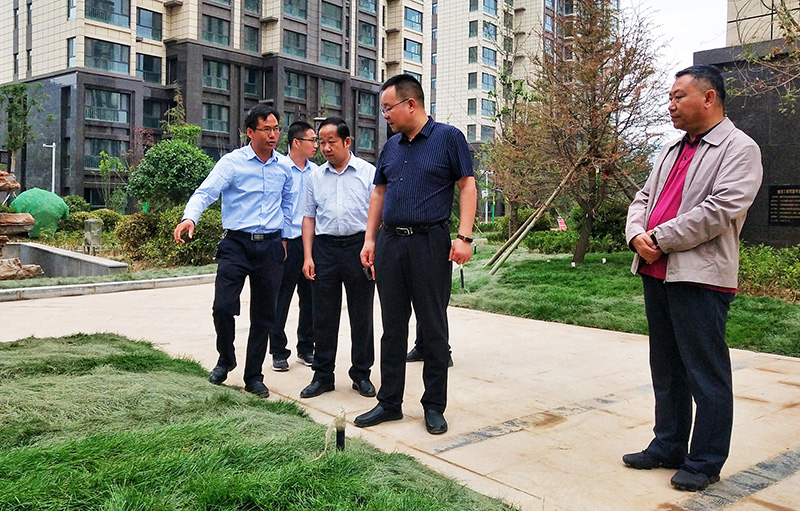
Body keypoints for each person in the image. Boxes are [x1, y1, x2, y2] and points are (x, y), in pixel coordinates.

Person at [623, 65, 763, 491]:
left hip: (700, 277)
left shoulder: (739, 148)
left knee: (705, 372)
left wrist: (659, 238)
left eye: (678, 96)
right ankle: (668, 445)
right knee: (666, 368)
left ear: (708, 97)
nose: (671, 105)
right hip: (656, 271)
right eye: (670, 97)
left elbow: (720, 210)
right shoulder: (670, 150)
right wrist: (636, 234)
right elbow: (643, 198)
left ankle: (704, 461)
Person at [355, 74, 477, 435]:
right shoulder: (391, 146)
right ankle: (389, 402)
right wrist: (370, 239)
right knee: (392, 327)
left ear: (411, 104)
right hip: (391, 242)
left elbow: (467, 186)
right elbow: (379, 193)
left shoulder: (448, 138)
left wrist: (464, 237)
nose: (385, 115)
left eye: (388, 108)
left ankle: (433, 406)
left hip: (429, 242)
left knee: (433, 326)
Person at [173, 105, 293, 399]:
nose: (273, 135)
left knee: (264, 316)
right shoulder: (232, 163)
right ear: (250, 132)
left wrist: (284, 237)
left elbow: (289, 203)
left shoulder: (284, 167)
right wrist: (190, 218)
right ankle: (226, 359)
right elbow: (205, 193)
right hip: (236, 245)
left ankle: (254, 376)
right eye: (266, 129)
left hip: (270, 246)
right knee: (223, 307)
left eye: (276, 129)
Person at [298, 117, 377, 399]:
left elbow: (377, 215)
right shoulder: (315, 177)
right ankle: (323, 376)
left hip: (359, 248)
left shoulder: (368, 173)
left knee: (362, 315)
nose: (325, 148)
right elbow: (308, 218)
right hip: (325, 249)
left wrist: (372, 248)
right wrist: (308, 256)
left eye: (331, 142)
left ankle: (361, 374)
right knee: (323, 315)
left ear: (347, 141)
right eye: (321, 142)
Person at [268, 121, 318, 372]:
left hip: (311, 243)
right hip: (286, 242)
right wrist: (281, 239)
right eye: (312, 140)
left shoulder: (317, 172)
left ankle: (306, 348)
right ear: (296, 142)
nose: (316, 145)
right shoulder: (279, 169)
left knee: (310, 299)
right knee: (280, 298)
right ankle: (278, 351)